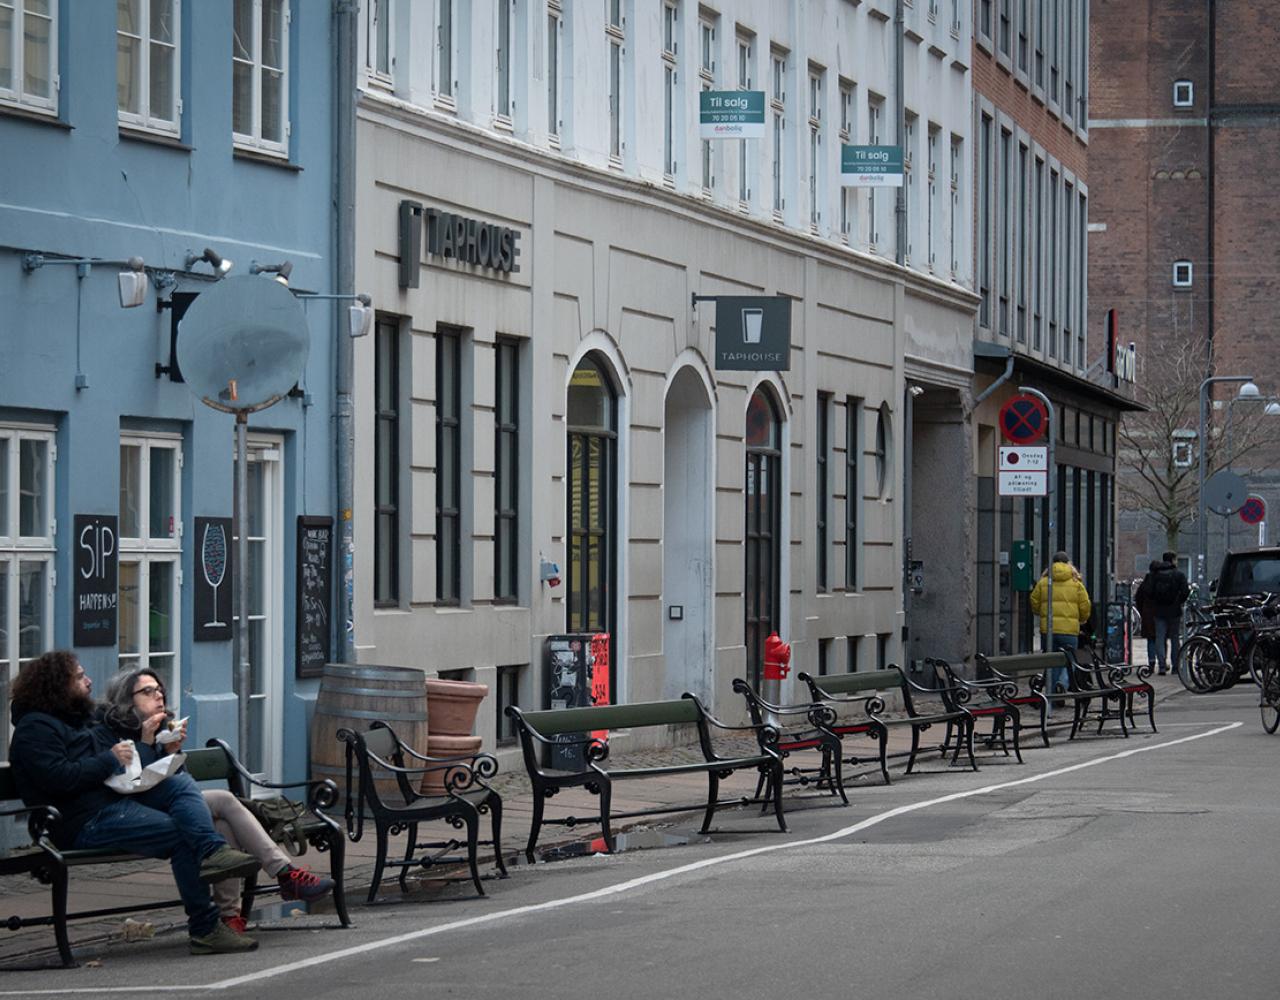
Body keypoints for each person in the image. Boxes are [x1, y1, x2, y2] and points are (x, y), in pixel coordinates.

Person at [8, 650, 261, 955]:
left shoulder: (82, 719)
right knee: (181, 834)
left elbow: (129, 770)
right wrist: (108, 759)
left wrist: (151, 744)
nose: (88, 681)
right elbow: (60, 779)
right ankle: (206, 928)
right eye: (79, 676)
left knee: (177, 782)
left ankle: (213, 851)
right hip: (80, 821)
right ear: (57, 684)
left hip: (111, 803)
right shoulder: (35, 729)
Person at [100, 669, 334, 934]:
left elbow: (179, 784)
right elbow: (135, 785)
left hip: (172, 806)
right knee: (223, 799)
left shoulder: (162, 731)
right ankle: (285, 873)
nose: (158, 696)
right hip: (136, 813)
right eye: (147, 691)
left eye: (159, 690)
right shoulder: (113, 732)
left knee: (223, 826)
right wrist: (145, 741)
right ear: (127, 700)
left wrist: (171, 752)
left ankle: (229, 918)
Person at [1029, 551, 1092, 705]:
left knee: (1052, 662)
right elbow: (1085, 605)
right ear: (1069, 564)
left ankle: (1051, 697)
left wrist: (1041, 613)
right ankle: (1062, 684)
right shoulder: (1076, 582)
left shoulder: (1044, 582)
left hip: (1048, 631)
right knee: (1070, 661)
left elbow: (1034, 602)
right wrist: (1082, 619)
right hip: (1069, 631)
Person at [1151, 551, 1191, 676]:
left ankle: (1162, 666)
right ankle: (1175, 666)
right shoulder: (1178, 575)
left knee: (1160, 637)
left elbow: (1149, 591)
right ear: (1173, 560)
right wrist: (1178, 601)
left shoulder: (1155, 575)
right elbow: (1185, 591)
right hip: (1174, 611)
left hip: (1159, 610)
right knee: (1175, 638)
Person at [1133, 560, 1163, 672]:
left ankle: (1151, 663)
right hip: (1160, 613)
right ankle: (1162, 664)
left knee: (1151, 639)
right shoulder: (1162, 582)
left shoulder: (1146, 582)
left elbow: (1138, 598)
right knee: (1161, 638)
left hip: (1148, 613)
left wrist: (1142, 610)